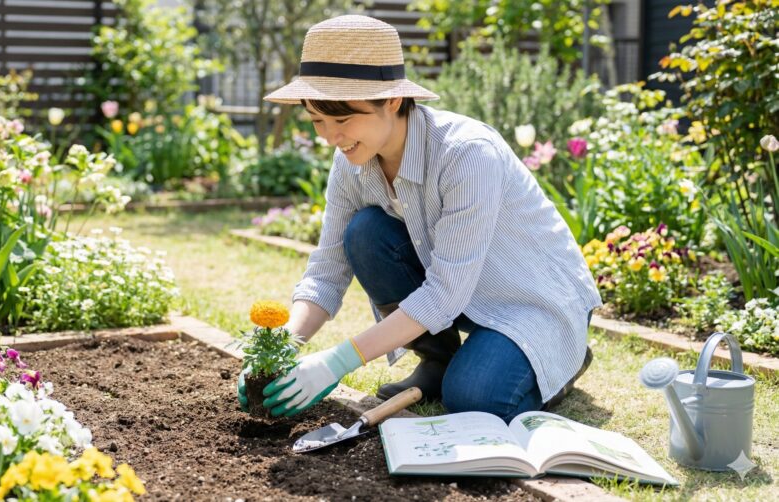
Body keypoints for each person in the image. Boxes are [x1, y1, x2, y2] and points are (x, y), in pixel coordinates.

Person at [237, 14, 602, 422]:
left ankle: (562, 357)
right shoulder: (352, 160)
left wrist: (336, 362)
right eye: (317, 120)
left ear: (392, 100)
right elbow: (327, 270)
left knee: (473, 400)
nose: (330, 137)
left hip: (532, 300)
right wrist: (284, 345)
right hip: (464, 293)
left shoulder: (466, 154)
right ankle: (438, 360)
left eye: (342, 119)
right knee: (365, 232)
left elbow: (444, 292)